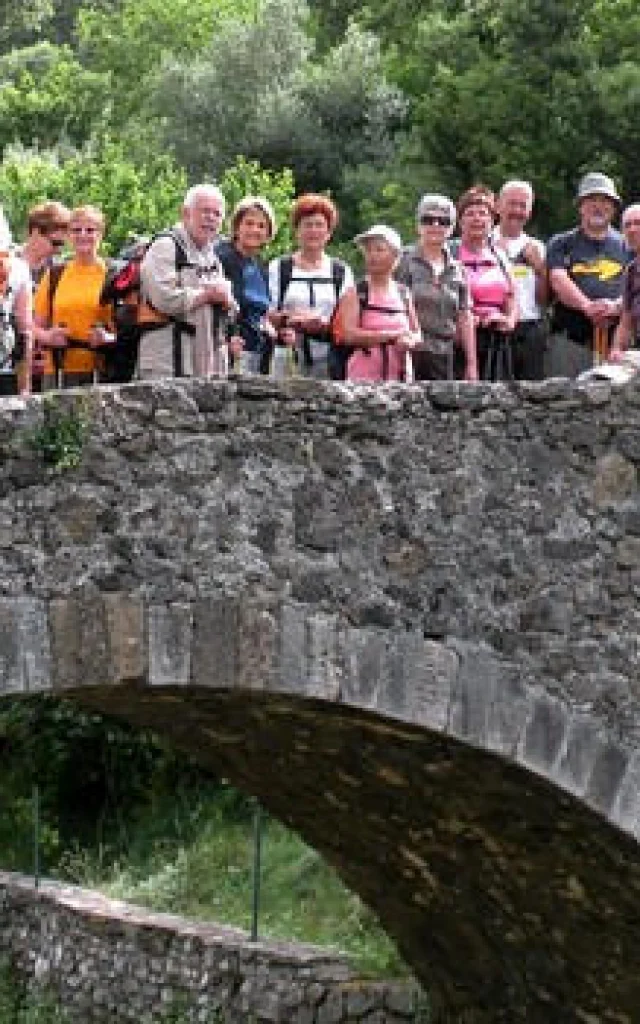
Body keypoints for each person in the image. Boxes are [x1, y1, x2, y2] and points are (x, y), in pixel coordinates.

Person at [139, 184, 236, 379]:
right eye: (205, 211)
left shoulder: (212, 256)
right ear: (186, 213)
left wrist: (227, 302)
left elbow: (231, 312)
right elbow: (164, 299)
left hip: (207, 364)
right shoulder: (165, 247)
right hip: (167, 363)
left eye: (217, 214)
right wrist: (207, 295)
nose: (210, 218)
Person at [546, 171, 631, 376]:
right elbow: (558, 279)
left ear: (613, 207)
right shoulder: (561, 243)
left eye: (605, 201)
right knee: (563, 402)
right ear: (581, 206)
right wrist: (587, 306)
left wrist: (615, 306)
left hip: (617, 343)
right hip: (570, 340)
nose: (598, 206)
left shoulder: (628, 245)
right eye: (592, 199)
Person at [268, 194, 353, 380]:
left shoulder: (341, 271)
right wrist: (292, 321)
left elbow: (348, 320)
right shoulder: (280, 267)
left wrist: (323, 326)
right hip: (287, 356)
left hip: (330, 359)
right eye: (307, 224)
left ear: (329, 232)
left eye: (319, 225)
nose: (313, 230)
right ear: (297, 230)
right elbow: (268, 313)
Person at [395, 193, 476, 381]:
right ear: (418, 224)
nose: (436, 225)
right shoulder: (401, 261)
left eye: (443, 221)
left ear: (452, 227)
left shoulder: (458, 269)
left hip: (446, 356)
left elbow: (465, 316)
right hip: (408, 354)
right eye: (428, 219)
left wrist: (471, 364)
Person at [33, 205, 114, 389]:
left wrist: (107, 338)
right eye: (76, 230)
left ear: (100, 234)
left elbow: (127, 331)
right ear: (69, 235)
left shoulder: (113, 275)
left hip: (101, 371)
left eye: (90, 230)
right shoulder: (55, 275)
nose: (83, 235)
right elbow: (33, 325)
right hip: (57, 369)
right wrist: (47, 337)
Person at [337, 224, 421, 383]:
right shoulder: (355, 292)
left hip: (401, 378)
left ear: (395, 256)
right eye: (368, 250)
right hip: (362, 379)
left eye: (379, 250)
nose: (372, 255)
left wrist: (410, 341)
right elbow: (348, 335)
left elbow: (417, 333)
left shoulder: (404, 293)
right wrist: (391, 337)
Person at [453, 185, 518, 381]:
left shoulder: (499, 255)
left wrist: (509, 320)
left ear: (492, 220)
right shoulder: (450, 253)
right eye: (470, 214)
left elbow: (512, 296)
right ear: (460, 220)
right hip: (459, 343)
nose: (477, 219)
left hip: (496, 341)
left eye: (483, 214)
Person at [216, 196, 276, 375]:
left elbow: (260, 310)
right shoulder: (221, 258)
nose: (254, 230)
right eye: (249, 223)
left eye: (261, 226)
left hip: (255, 352)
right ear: (236, 227)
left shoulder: (260, 265)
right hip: (227, 351)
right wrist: (225, 340)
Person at [493, 180, 547, 380]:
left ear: (530, 211)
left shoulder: (537, 248)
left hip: (529, 329)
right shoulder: (485, 243)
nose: (517, 210)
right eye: (511, 203)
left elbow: (543, 300)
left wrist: (540, 269)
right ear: (498, 206)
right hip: (494, 328)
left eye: (522, 205)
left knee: (532, 395)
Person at [611, 203, 640, 359]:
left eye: (638, 223)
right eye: (627, 225)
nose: (632, 229)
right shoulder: (631, 271)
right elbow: (626, 321)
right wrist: (616, 349)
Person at [18, 202, 70, 286]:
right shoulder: (7, 260)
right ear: (36, 233)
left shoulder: (58, 270)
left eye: (61, 244)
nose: (58, 250)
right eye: (55, 243)